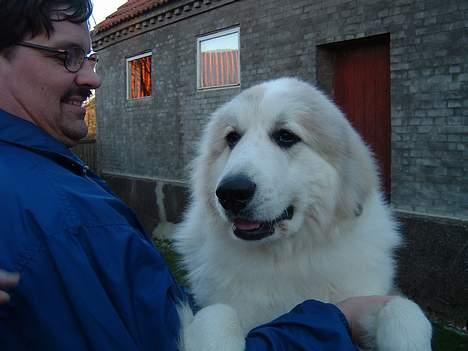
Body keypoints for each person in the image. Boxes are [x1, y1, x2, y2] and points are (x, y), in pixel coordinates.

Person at [0, 0, 392, 350]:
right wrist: (338, 322)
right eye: (66, 55)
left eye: (88, 58)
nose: (92, 79)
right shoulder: (61, 216)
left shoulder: (44, 179)